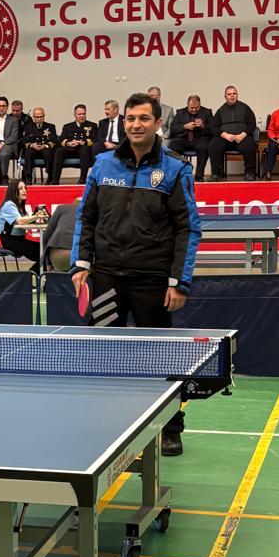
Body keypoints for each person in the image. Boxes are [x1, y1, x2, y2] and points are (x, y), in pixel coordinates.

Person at [71, 92, 201, 453]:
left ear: (157, 123)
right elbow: (86, 217)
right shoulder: (103, 164)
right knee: (103, 352)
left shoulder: (175, 168)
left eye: (144, 118)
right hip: (107, 278)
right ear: (123, 122)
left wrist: (179, 281)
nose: (136, 125)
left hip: (152, 278)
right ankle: (106, 421)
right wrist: (81, 263)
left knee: (160, 356)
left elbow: (187, 228)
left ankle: (171, 426)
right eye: (130, 118)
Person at [211, 85, 258, 179]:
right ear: (225, 97)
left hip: (242, 138)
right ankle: (217, 174)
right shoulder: (220, 110)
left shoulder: (245, 108)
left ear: (237, 95)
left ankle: (250, 173)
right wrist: (225, 135)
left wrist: (242, 135)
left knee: (249, 145)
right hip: (226, 138)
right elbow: (213, 127)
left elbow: (252, 124)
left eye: (234, 93)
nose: (232, 96)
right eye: (229, 94)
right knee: (214, 144)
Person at [0, 179, 42, 267]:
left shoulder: (19, 206)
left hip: (19, 240)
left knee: (43, 251)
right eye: (20, 188)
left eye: (25, 188)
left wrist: (34, 218)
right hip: (10, 242)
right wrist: (37, 216)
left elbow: (25, 222)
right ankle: (31, 274)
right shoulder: (9, 205)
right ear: (14, 191)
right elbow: (20, 221)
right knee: (42, 252)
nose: (24, 191)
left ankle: (32, 274)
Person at [167, 96, 214, 178]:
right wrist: (184, 126)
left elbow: (213, 129)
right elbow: (173, 128)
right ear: (187, 105)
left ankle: (199, 175)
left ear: (200, 104)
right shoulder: (180, 112)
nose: (194, 110)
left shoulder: (207, 112)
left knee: (204, 147)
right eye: (191, 107)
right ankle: (176, 174)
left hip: (200, 139)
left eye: (197, 107)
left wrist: (203, 125)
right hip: (183, 139)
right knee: (173, 146)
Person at [52, 105, 95, 184]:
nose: (82, 116)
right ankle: (55, 179)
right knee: (59, 151)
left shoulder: (92, 125)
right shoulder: (67, 126)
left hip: (83, 150)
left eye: (83, 114)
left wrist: (84, 142)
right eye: (79, 114)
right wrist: (68, 143)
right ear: (75, 114)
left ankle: (83, 178)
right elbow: (60, 140)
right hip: (69, 149)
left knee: (84, 149)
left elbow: (95, 140)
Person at [22, 107, 58, 182]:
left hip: (45, 148)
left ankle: (50, 176)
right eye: (37, 117)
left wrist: (45, 145)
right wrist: (32, 145)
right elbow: (25, 141)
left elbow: (54, 140)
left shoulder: (51, 127)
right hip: (33, 148)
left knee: (48, 152)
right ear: (33, 117)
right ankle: (28, 177)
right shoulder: (28, 127)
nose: (39, 119)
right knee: (28, 152)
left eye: (41, 116)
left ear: (44, 116)